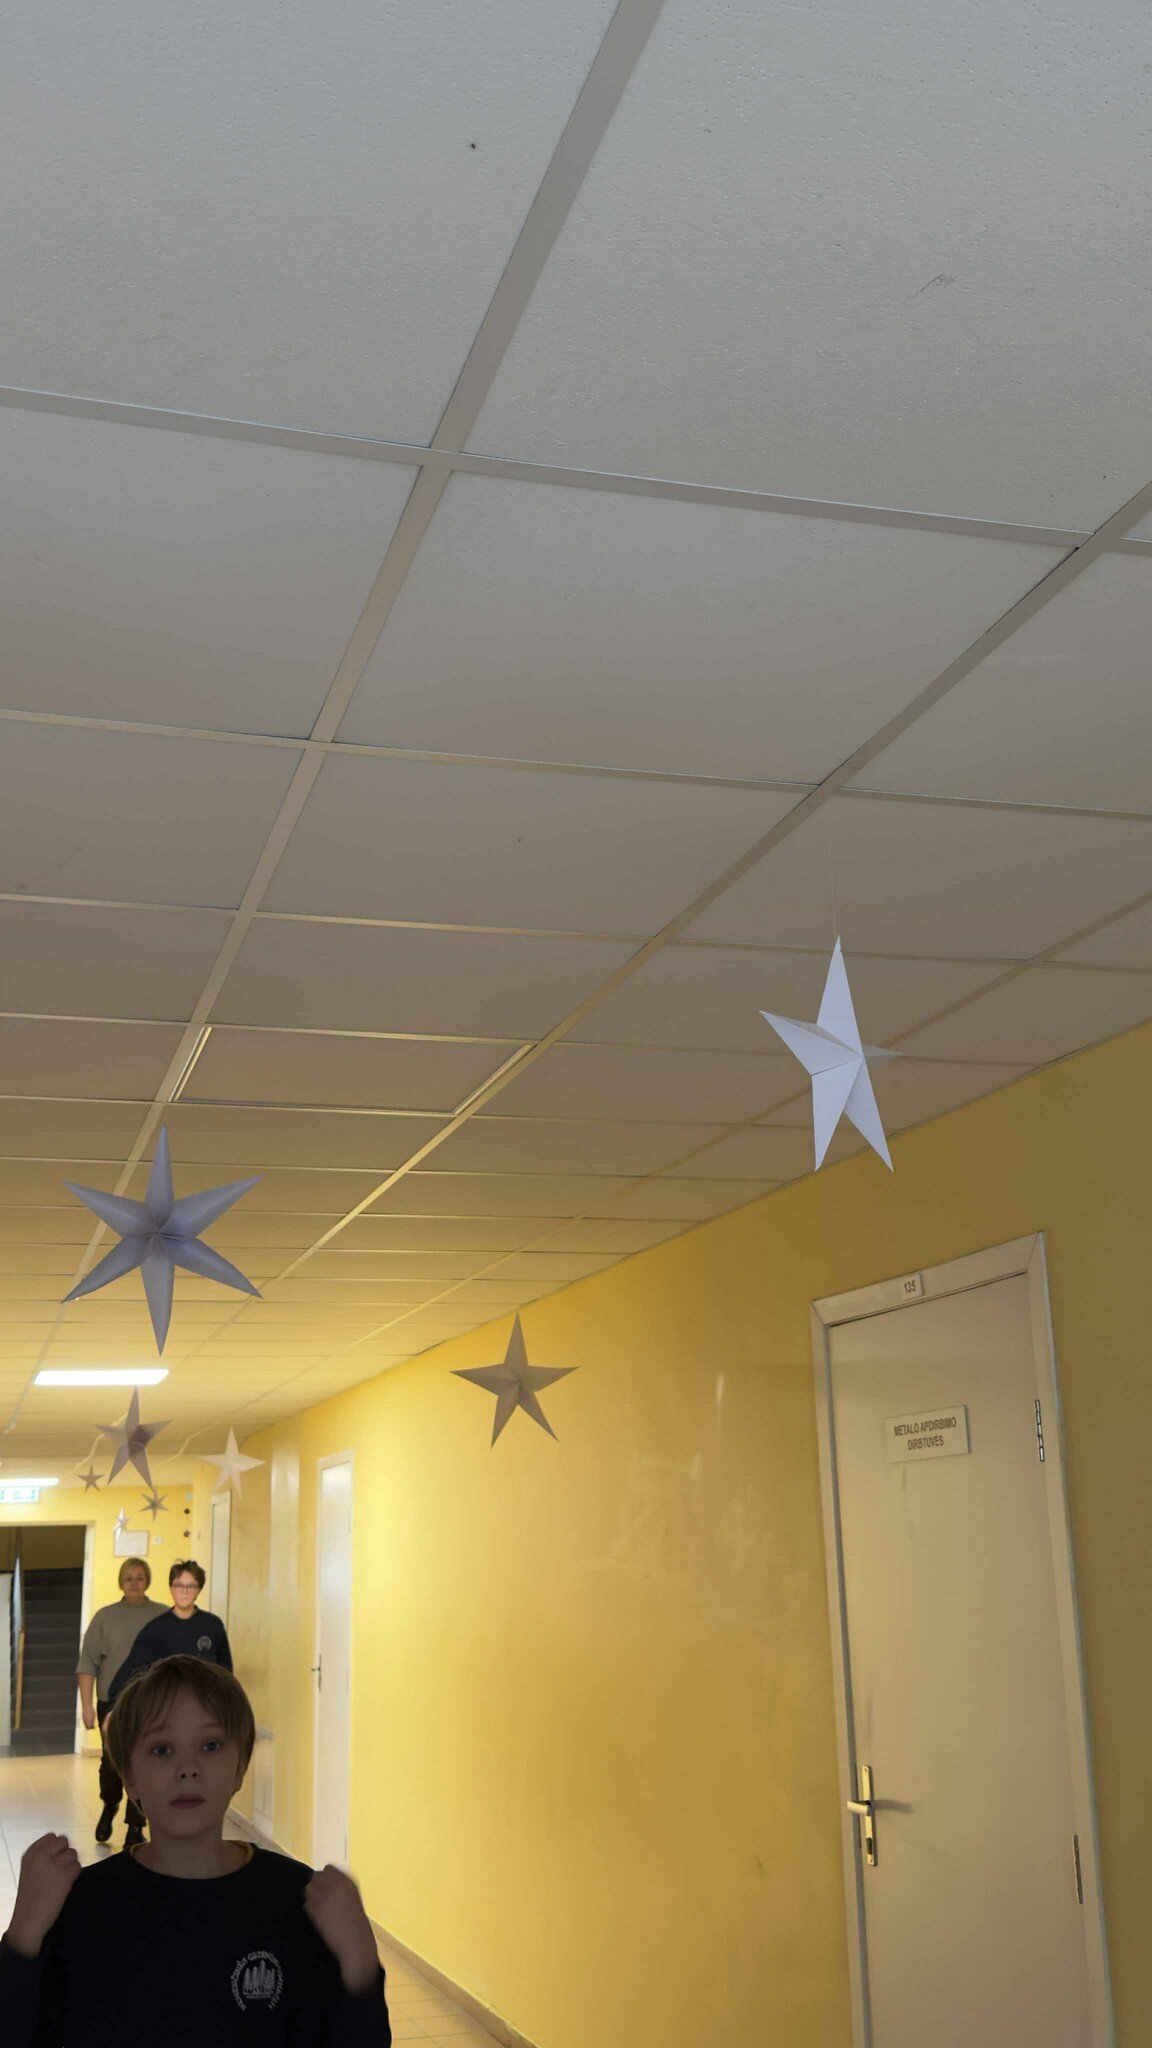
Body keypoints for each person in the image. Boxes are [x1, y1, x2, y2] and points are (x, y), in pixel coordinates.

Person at [0, 1655, 391, 2045]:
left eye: (211, 1745)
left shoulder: (298, 1900)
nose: (188, 1768)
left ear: (240, 1767)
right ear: (129, 1778)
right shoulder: (82, 1904)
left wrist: (360, 1964)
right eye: (162, 1750)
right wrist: (22, 1936)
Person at [75, 1557, 166, 1849]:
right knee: (112, 1762)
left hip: (150, 1703)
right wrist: (87, 1706)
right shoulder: (105, 1617)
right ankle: (110, 1804)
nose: (134, 1583)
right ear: (121, 1582)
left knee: (145, 1763)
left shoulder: (164, 1617)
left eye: (140, 1577)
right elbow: (87, 1663)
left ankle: (136, 1825)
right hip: (111, 1703)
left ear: (147, 1580)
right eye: (129, 1578)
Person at [106, 1558, 232, 1721]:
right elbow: (131, 1671)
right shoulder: (155, 1629)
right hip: (165, 1712)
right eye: (179, 1585)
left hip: (205, 1710)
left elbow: (226, 1673)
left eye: (191, 1586)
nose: (184, 1591)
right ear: (171, 1588)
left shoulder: (212, 1626)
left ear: (199, 1589)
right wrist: (114, 1708)